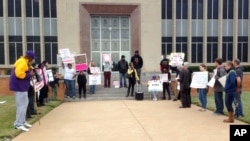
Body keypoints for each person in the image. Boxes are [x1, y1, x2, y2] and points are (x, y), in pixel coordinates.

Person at [9, 50, 35, 132]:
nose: (33, 60)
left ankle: (22, 121)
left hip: (22, 86)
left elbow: (26, 70)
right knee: (21, 106)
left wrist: (30, 69)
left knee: (24, 104)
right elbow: (19, 74)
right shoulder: (22, 62)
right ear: (30, 58)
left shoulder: (25, 62)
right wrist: (29, 74)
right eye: (33, 59)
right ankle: (18, 124)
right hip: (19, 86)